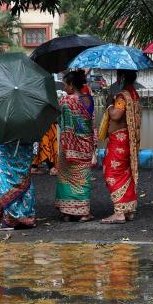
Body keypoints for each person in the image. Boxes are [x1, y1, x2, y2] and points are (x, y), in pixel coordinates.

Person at [101, 69, 141, 223]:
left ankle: (119, 213)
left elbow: (116, 115)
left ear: (122, 77)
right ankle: (128, 209)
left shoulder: (123, 96)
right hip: (128, 140)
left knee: (112, 173)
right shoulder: (134, 94)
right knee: (126, 173)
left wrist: (110, 104)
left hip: (120, 140)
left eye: (118, 76)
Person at [55, 69, 95, 221]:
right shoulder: (89, 99)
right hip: (85, 144)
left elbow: (59, 120)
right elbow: (90, 122)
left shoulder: (65, 101)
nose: (64, 88)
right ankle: (83, 212)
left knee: (66, 177)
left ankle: (67, 212)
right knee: (83, 179)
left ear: (71, 85)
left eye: (65, 84)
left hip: (68, 146)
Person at [0, 137, 38, 229]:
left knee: (6, 179)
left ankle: (12, 218)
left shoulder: (3, 126)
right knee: (24, 179)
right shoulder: (31, 125)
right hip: (26, 143)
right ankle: (26, 216)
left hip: (6, 143)